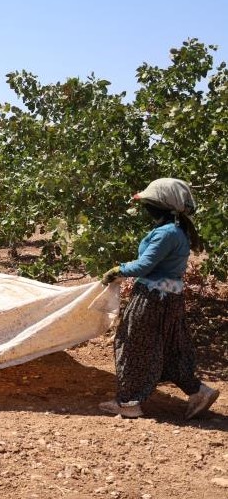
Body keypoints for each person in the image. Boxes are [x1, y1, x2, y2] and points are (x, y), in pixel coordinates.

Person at [98, 177, 219, 419]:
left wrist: (117, 270)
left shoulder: (166, 233)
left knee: (133, 346)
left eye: (149, 203)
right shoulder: (177, 231)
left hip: (152, 300)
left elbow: (144, 266)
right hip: (171, 299)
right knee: (172, 350)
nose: (146, 207)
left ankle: (129, 404)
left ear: (160, 206)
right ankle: (199, 391)